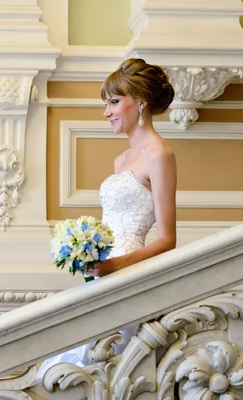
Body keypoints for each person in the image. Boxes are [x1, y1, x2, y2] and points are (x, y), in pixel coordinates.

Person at [37, 58, 177, 380]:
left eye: (114, 101)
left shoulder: (160, 155)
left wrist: (115, 266)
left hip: (128, 274)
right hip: (103, 272)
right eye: (106, 103)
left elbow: (168, 240)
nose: (107, 112)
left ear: (140, 103)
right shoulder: (121, 160)